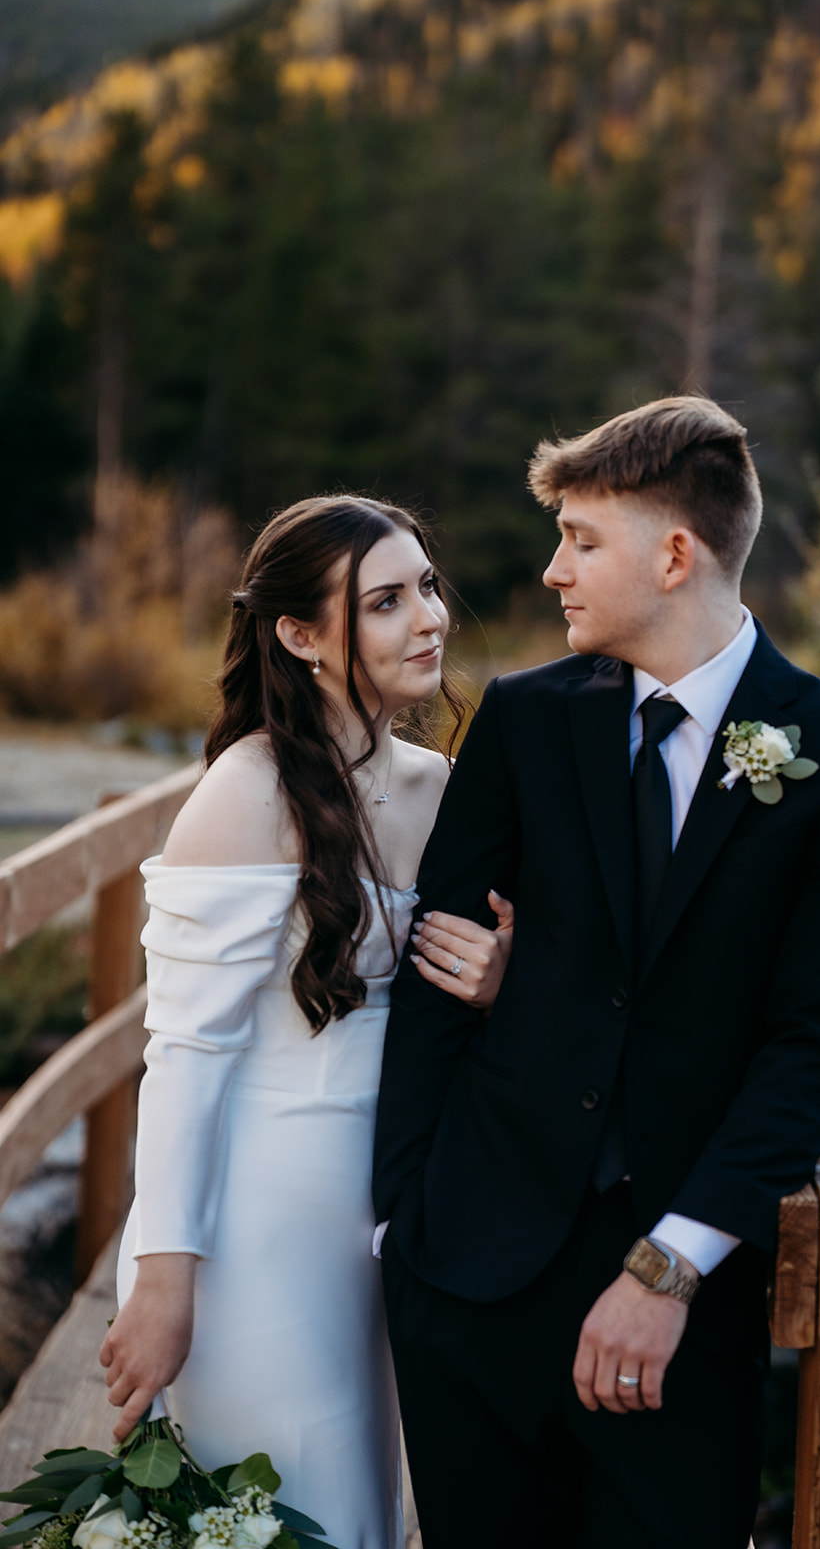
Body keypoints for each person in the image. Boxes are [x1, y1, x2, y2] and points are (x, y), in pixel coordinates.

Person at [372, 395, 820, 1549]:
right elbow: (435, 972)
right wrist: (401, 1223)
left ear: (673, 554)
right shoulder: (522, 722)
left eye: (579, 539)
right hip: (465, 1285)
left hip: (677, 1322)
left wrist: (669, 1267)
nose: (550, 571)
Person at [100, 496, 513, 1549]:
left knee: (371, 1504)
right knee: (297, 1500)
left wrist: (499, 977)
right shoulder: (241, 795)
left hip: (393, 1210)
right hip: (260, 1222)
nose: (427, 618)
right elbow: (184, 1059)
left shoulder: (442, 789)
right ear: (298, 634)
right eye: (384, 600)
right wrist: (162, 1274)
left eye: (426, 586)